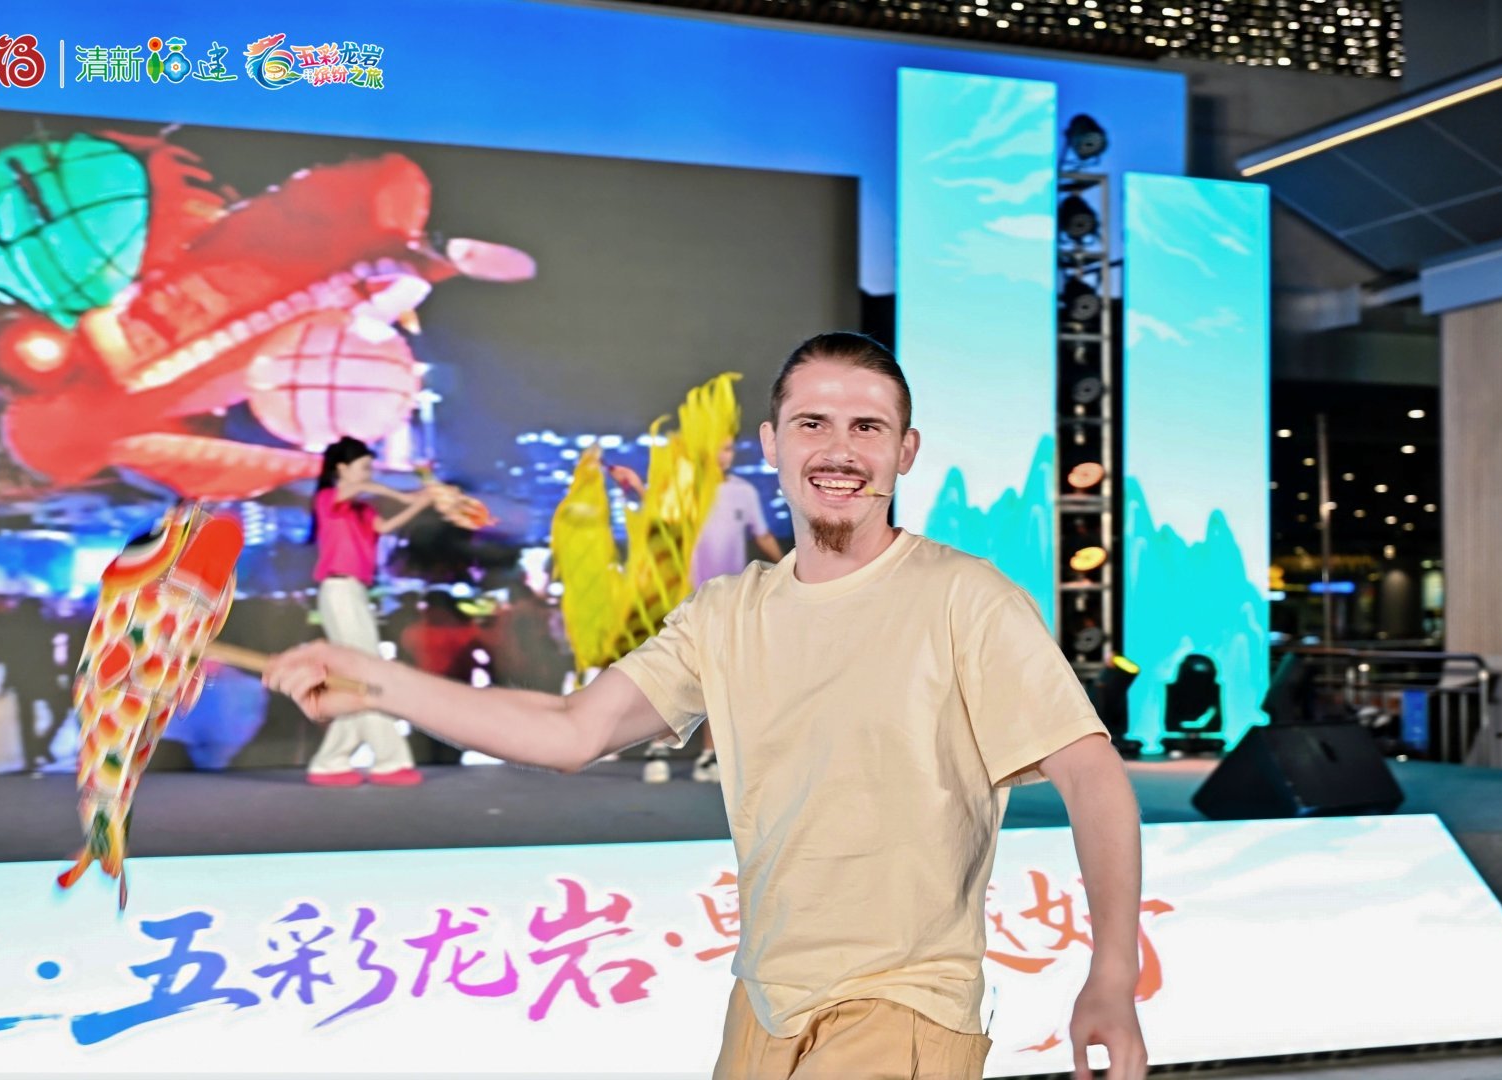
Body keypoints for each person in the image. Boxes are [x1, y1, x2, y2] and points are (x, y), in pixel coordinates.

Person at [266, 333, 1147, 1080]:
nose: (838, 450)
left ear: (904, 450)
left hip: (904, 1005)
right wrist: (374, 679)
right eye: (813, 423)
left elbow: (1090, 772)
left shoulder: (965, 597)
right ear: (773, 442)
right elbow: (572, 731)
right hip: (761, 1005)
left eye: (867, 427)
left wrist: (1111, 972)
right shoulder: (727, 613)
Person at [610, 437, 784, 783]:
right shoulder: (681, 488)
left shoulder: (743, 491)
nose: (721, 454)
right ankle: (657, 749)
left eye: (728, 448)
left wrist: (787, 569)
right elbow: (654, 516)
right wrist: (635, 486)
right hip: (680, 595)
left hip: (724, 600)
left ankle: (709, 755)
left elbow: (762, 534)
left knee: (719, 678)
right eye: (714, 445)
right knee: (667, 674)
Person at [304, 436, 434, 787]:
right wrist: (404, 495)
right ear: (342, 469)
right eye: (363, 467)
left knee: (360, 678)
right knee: (368, 674)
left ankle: (332, 760)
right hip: (339, 590)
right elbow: (357, 489)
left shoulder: (362, 509)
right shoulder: (328, 498)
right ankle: (390, 760)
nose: (368, 474)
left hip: (355, 592)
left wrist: (420, 503)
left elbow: (385, 527)